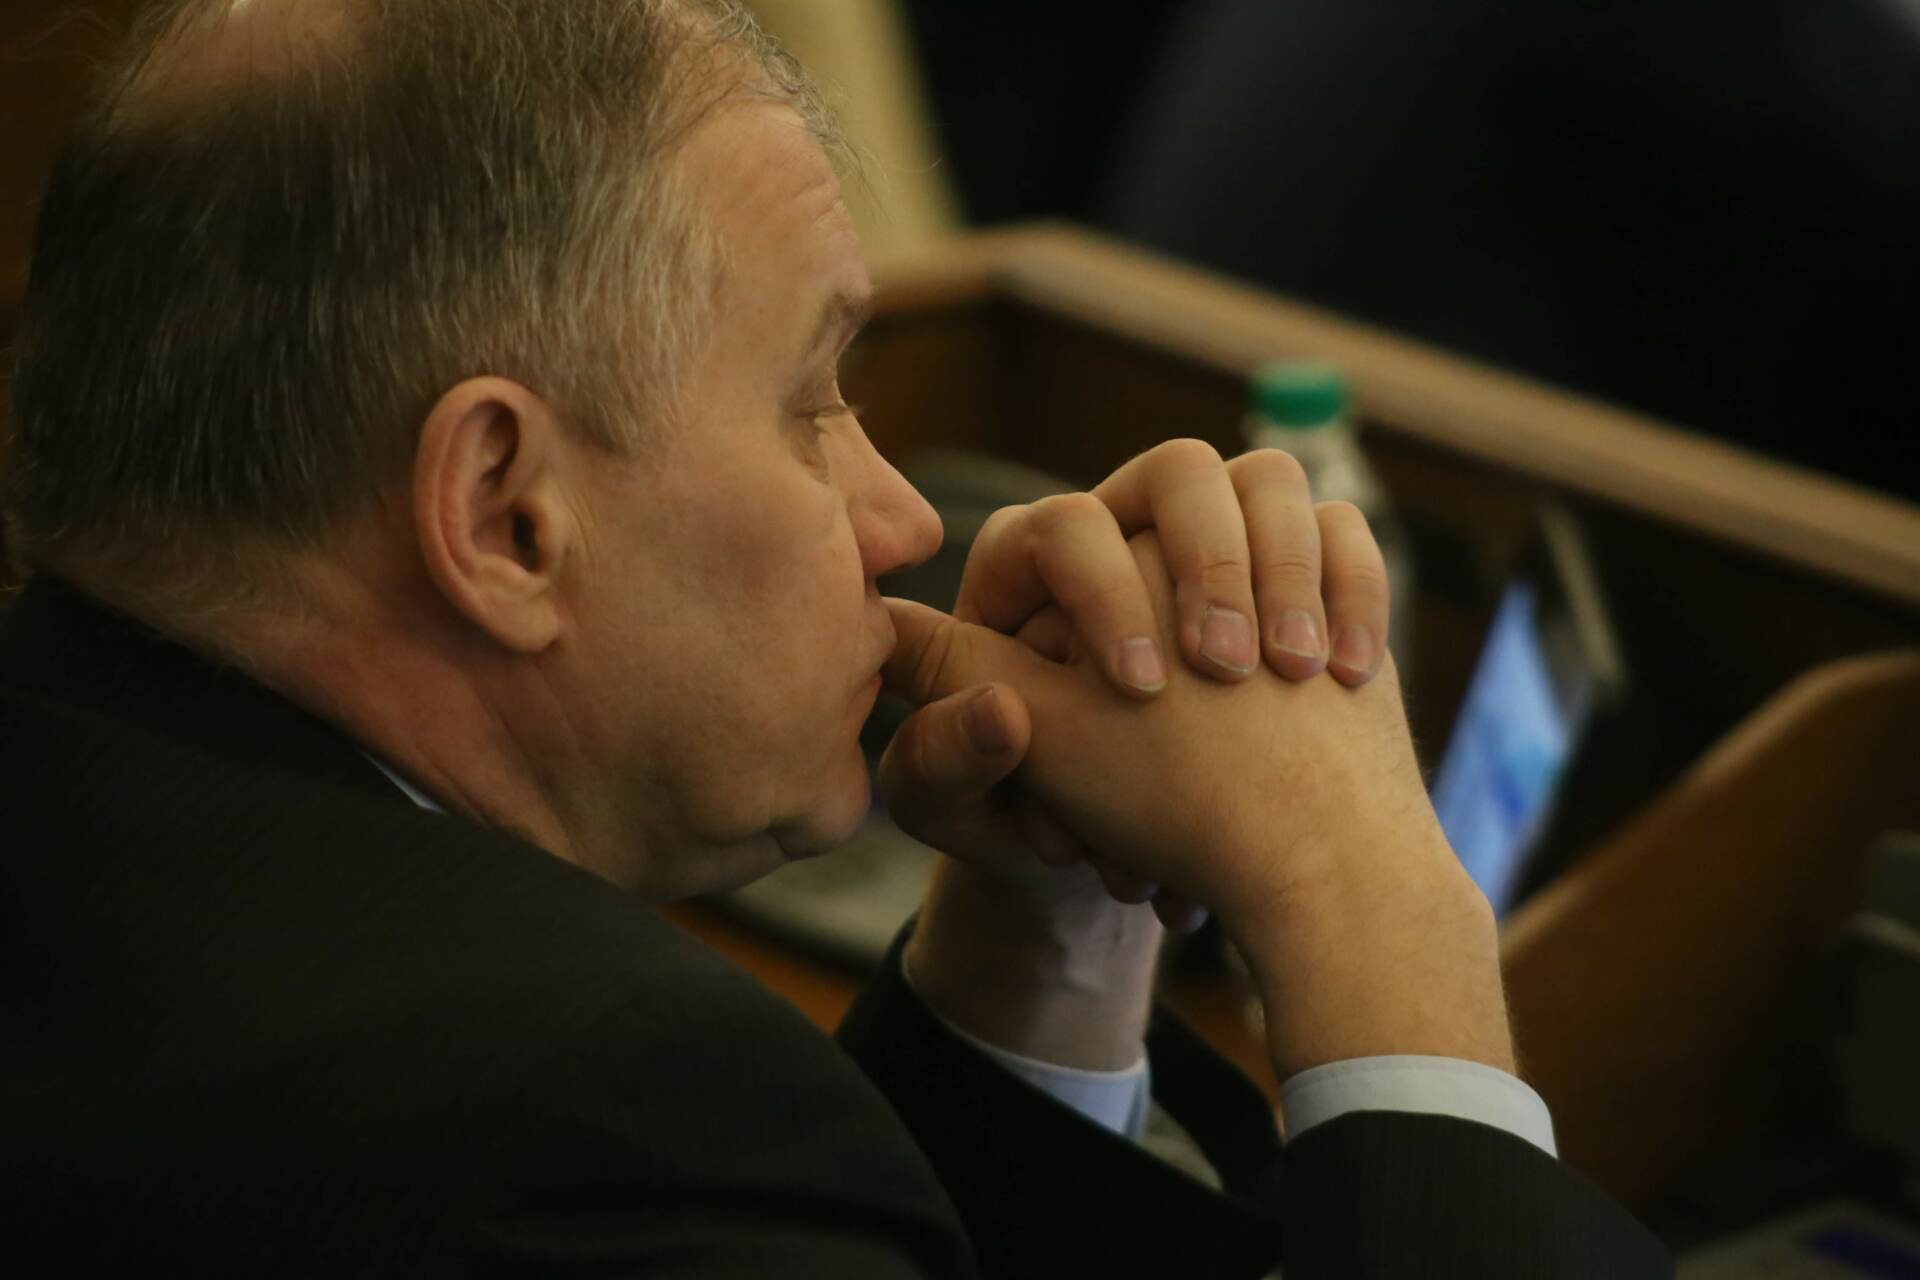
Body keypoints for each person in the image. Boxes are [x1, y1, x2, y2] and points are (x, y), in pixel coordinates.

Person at [0, 0, 1668, 1275]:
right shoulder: (595, 1118)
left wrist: (1048, 946)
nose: (904, 519)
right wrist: (1369, 905)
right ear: (507, 517)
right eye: (810, 403)